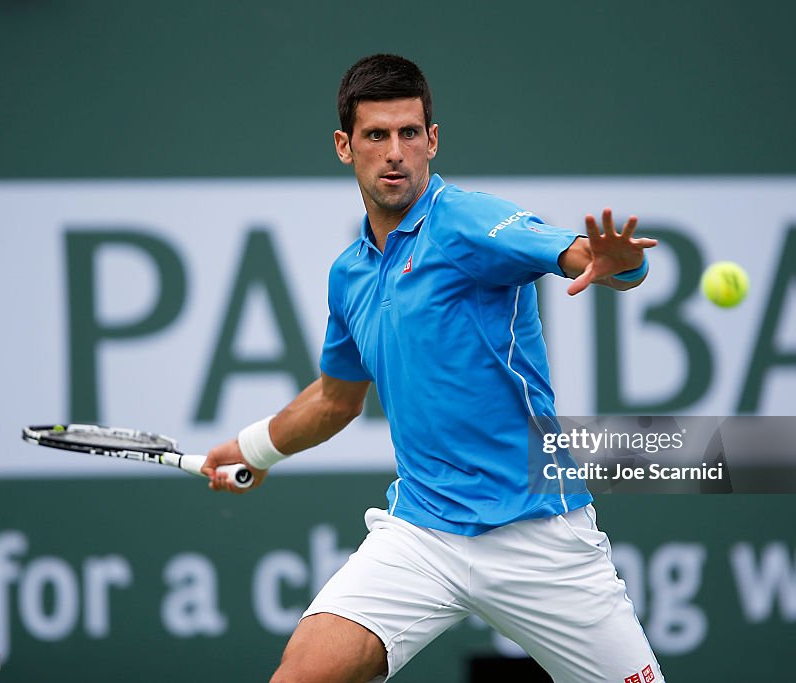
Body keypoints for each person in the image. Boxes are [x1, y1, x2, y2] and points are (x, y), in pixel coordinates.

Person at [203, 54, 663, 683]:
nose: (395, 152)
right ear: (345, 146)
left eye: (409, 134)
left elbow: (580, 253)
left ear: (432, 140)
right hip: (422, 534)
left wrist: (619, 264)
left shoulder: (468, 222)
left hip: (539, 535)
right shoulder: (350, 275)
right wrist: (252, 448)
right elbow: (336, 401)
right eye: (376, 135)